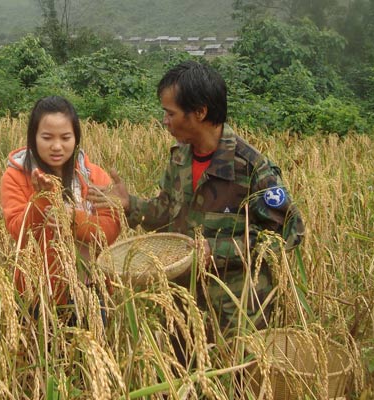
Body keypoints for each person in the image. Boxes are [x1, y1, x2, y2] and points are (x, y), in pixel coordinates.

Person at [89, 60, 305, 336]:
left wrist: (215, 250)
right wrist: (132, 205)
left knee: (236, 378)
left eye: (170, 113)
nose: (165, 121)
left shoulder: (251, 168)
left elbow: (289, 233)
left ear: (200, 112)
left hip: (236, 311)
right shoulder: (180, 158)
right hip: (183, 305)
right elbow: (167, 213)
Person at [0, 96, 121, 313]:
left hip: (91, 289)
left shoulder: (94, 176)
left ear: (76, 138)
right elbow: (18, 233)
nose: (57, 146)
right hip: (39, 293)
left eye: (66, 137)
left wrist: (74, 220)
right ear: (33, 138)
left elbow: (110, 230)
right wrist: (43, 199)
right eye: (47, 137)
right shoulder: (15, 177)